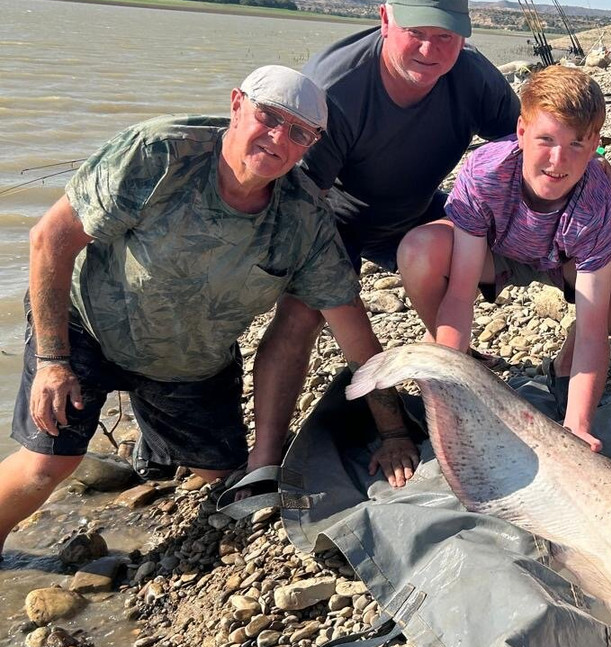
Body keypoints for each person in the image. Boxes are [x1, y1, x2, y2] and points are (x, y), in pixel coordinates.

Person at [0, 65, 418, 558]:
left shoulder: (305, 219)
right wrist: (52, 360)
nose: (277, 138)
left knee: (221, 476)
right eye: (268, 117)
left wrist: (393, 433)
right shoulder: (158, 153)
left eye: (298, 133)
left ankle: (151, 446)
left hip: (188, 362)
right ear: (237, 104)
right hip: (85, 328)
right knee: (46, 467)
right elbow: (51, 240)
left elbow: (354, 332)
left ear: (311, 144)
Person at [247, 0, 521, 475]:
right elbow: (297, 200)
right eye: (416, 31)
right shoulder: (336, 88)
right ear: (384, 18)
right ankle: (265, 454)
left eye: (446, 37)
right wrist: (391, 426)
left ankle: (455, 358)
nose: (430, 50)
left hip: (416, 207)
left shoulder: (474, 76)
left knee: (504, 246)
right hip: (334, 219)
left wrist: (587, 169)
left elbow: (524, 142)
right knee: (303, 310)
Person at [397, 66, 611, 452]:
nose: (558, 161)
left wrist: (577, 424)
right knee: (418, 249)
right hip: (497, 254)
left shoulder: (593, 198)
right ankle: (455, 358)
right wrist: (452, 404)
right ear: (521, 132)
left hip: (563, 261)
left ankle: (564, 368)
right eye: (546, 139)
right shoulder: (486, 172)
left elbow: (592, 328)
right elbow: (459, 294)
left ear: (595, 146)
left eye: (576, 144)